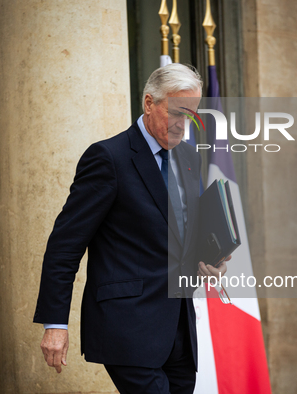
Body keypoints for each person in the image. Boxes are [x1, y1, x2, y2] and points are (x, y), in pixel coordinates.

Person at [33, 63, 228, 393]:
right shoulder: (108, 158)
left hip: (181, 333)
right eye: (177, 113)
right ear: (149, 103)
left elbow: (182, 238)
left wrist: (208, 261)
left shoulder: (191, 157)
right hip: (129, 327)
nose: (184, 126)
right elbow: (65, 244)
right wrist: (55, 323)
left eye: (191, 116)